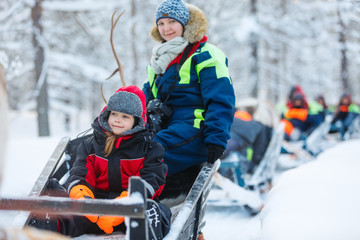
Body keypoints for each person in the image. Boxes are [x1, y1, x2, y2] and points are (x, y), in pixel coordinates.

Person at [30, 86, 171, 239]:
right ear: (107, 114)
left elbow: (151, 180)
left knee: (155, 211)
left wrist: (121, 208)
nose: (117, 119)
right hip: (95, 208)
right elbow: (79, 175)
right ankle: (48, 223)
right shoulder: (90, 145)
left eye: (125, 116)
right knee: (65, 207)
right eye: (114, 114)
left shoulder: (150, 149)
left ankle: (146, 232)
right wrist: (88, 205)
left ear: (137, 121)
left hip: (130, 208)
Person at [143, 0, 235, 197]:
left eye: (171, 22)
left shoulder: (206, 54)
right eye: (161, 23)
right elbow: (144, 96)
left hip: (196, 127)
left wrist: (217, 138)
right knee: (126, 147)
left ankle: (135, 203)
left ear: (185, 24)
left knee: (151, 152)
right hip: (164, 126)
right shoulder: (158, 62)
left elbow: (221, 99)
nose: (166, 28)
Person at [221, 111, 273, 175]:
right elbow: (259, 149)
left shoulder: (231, 119)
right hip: (235, 142)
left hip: (227, 139)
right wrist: (253, 165)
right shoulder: (258, 126)